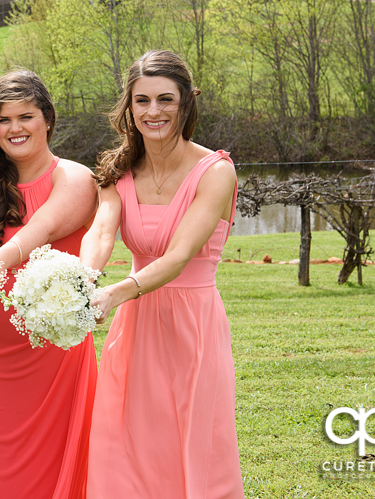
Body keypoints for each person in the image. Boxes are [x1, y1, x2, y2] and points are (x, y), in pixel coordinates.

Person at [81, 50, 243, 498]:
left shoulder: (216, 171)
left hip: (193, 324)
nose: (154, 111)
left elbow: (177, 256)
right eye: (142, 100)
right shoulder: (118, 171)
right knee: (124, 444)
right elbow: (100, 233)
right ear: (129, 108)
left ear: (186, 103)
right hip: (134, 327)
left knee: (194, 444)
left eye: (165, 99)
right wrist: (79, 281)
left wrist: (115, 292)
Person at [0, 69, 99, 498]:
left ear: (48, 119)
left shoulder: (74, 177)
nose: (15, 128)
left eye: (26, 116)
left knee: (61, 455)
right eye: (3, 119)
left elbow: (43, 228)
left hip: (55, 344)